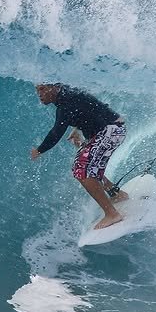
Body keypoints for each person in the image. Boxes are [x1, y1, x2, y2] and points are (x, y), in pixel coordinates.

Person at [30, 83, 128, 229]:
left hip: (111, 131)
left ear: (54, 87)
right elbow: (91, 107)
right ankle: (116, 194)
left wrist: (39, 150)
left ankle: (112, 214)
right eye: (37, 89)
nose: (39, 93)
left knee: (82, 169)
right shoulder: (69, 93)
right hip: (110, 130)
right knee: (85, 160)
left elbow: (56, 133)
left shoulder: (65, 105)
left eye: (43, 89)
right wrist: (78, 128)